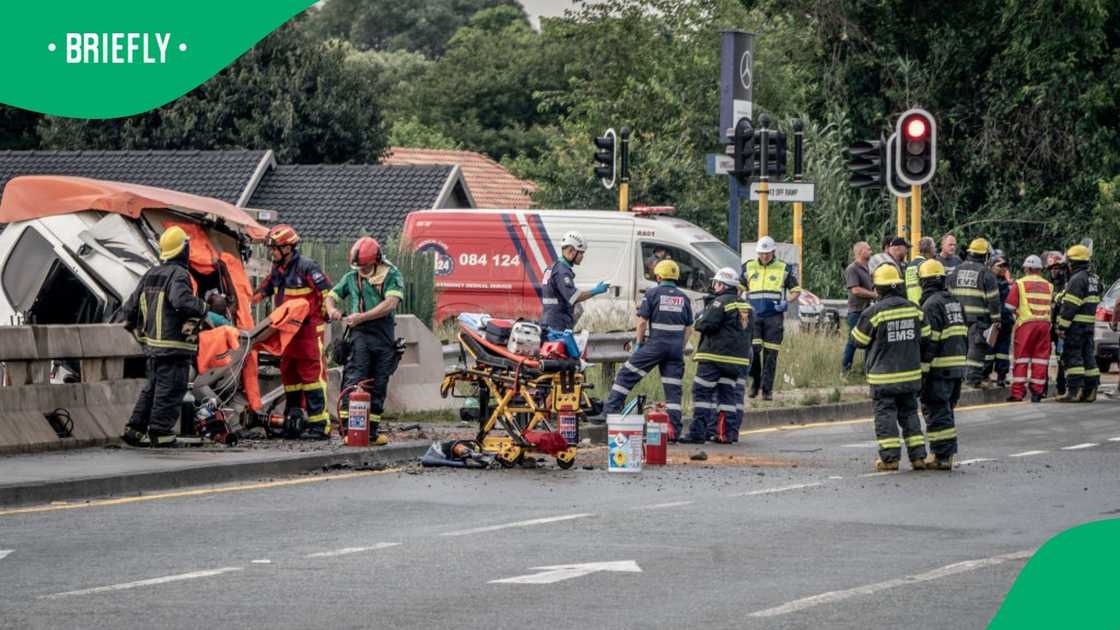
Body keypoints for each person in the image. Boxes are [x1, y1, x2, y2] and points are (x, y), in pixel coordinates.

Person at [120, 227, 208, 447]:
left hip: (153, 346)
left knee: (151, 390)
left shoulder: (151, 274)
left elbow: (129, 309)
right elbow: (181, 301)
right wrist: (204, 307)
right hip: (174, 346)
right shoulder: (179, 275)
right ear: (183, 250)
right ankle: (161, 433)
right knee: (170, 390)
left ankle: (135, 430)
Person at [252, 224, 334, 439]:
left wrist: (325, 313)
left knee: (312, 377)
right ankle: (293, 420)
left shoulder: (307, 267)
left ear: (287, 248)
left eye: (275, 248)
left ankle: (320, 425)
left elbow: (326, 292)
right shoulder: (278, 270)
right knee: (290, 376)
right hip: (287, 333)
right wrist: (247, 300)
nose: (272, 252)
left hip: (307, 333)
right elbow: (264, 289)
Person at [325, 237, 404, 446]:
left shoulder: (391, 275)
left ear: (376, 261)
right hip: (359, 335)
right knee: (354, 379)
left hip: (383, 335)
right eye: (359, 266)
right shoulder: (351, 277)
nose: (362, 270)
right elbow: (331, 296)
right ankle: (347, 429)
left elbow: (390, 303)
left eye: (366, 266)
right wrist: (332, 309)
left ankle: (371, 432)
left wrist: (363, 316)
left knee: (378, 384)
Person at [850, 264, 929, 471]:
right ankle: (918, 457)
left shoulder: (874, 312)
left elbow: (858, 340)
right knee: (910, 414)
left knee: (885, 416)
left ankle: (890, 459)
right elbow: (927, 337)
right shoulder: (915, 309)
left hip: (883, 378)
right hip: (911, 375)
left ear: (878, 288)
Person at [603, 259, 693, 439]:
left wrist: (638, 345)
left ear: (658, 276)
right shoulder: (684, 298)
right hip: (675, 349)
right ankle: (674, 431)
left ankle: (610, 412)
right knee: (673, 390)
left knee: (626, 374)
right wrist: (679, 348)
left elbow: (642, 322)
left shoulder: (652, 293)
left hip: (655, 346)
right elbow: (689, 328)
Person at [682, 267, 752, 444]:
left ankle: (698, 433)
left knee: (702, 393)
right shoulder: (747, 307)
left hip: (714, 358)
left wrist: (701, 317)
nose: (714, 286)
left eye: (716, 283)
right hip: (737, 362)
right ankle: (725, 434)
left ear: (722, 284)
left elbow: (704, 325)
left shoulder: (720, 303)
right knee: (727, 396)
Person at [917, 260, 967, 470]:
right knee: (946, 412)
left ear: (923, 282)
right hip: (957, 367)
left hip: (939, 368)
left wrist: (923, 371)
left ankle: (942, 456)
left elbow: (931, 341)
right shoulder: (954, 301)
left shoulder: (931, 305)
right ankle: (942, 453)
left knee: (937, 412)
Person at [741, 236, 801, 401]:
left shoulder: (784, 268)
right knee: (753, 350)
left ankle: (767, 390)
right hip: (754, 315)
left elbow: (796, 290)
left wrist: (786, 301)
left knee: (771, 354)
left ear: (773, 252)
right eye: (761, 253)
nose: (764, 256)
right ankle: (755, 383)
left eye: (767, 253)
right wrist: (739, 306)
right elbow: (739, 288)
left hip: (774, 317)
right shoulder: (748, 266)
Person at [948, 238, 1001, 387]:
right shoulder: (986, 273)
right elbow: (993, 299)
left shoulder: (956, 270)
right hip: (978, 319)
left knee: (961, 349)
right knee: (976, 350)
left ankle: (960, 379)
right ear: (985, 256)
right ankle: (973, 380)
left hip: (958, 318)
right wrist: (996, 320)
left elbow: (949, 293)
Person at [1055, 245, 1102, 402]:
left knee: (1073, 357)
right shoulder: (1094, 278)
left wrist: (1062, 326)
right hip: (1089, 326)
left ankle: (1074, 391)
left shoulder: (1077, 279)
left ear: (1072, 262)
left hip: (1075, 326)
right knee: (1088, 357)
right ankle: (1090, 390)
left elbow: (1070, 306)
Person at [1005, 255, 1053, 402]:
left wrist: (1018, 313)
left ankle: (1018, 393)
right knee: (1040, 359)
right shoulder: (1049, 285)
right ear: (1040, 269)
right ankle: (1037, 392)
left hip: (1026, 324)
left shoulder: (1019, 283)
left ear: (1027, 268)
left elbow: (1009, 306)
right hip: (1044, 325)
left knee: (1022, 358)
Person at [541, 231, 609, 331]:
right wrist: (596, 290)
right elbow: (574, 297)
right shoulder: (562, 272)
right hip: (557, 324)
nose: (582, 256)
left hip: (550, 321)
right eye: (581, 252)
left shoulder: (554, 267)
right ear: (571, 250)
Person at [842, 242, 875, 372]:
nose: (871, 251)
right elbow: (855, 290)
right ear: (861, 251)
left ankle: (868, 369)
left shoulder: (868, 268)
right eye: (869, 249)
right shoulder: (852, 269)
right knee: (853, 340)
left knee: (870, 340)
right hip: (856, 311)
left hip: (868, 309)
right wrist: (874, 294)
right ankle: (845, 369)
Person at [986, 252, 1014, 386]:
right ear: (991, 267)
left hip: (1005, 321)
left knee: (1002, 351)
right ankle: (985, 375)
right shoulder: (990, 283)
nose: (1003, 269)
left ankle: (1001, 376)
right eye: (1000, 266)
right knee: (989, 350)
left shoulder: (1006, 283)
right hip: (992, 322)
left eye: (1005, 266)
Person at [1046, 251, 1068, 398]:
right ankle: (1043, 388)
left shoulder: (1067, 285)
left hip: (1060, 328)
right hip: (1048, 327)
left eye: (1056, 268)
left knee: (1061, 359)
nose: (1054, 271)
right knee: (1044, 357)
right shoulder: (1048, 285)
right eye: (1051, 269)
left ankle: (1061, 388)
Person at [905, 236, 937, 304]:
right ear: (929, 249)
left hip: (911, 304)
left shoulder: (909, 266)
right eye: (934, 247)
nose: (935, 250)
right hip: (923, 303)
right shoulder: (926, 265)